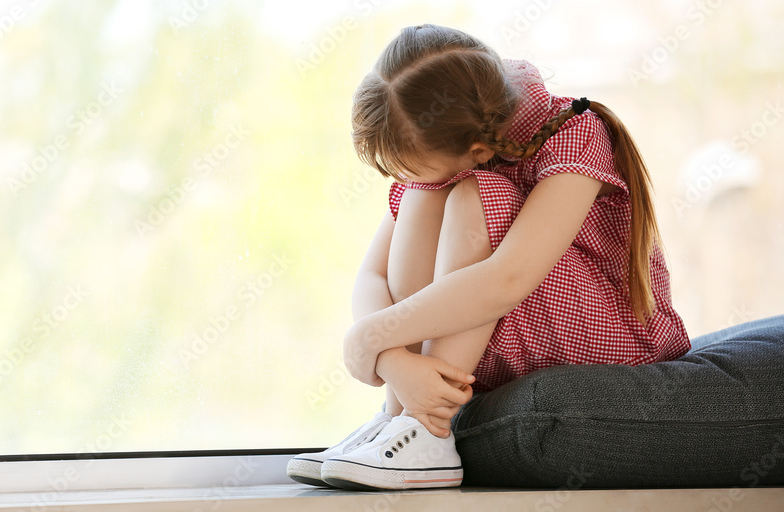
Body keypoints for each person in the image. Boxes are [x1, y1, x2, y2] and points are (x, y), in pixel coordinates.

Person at [287, 24, 691, 491]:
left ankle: (428, 429)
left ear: (476, 149)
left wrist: (367, 339)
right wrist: (394, 363)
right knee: (422, 194)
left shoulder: (576, 133)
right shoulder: (452, 139)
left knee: (476, 193)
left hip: (613, 339)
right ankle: (399, 415)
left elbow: (507, 279)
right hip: (507, 334)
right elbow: (372, 273)